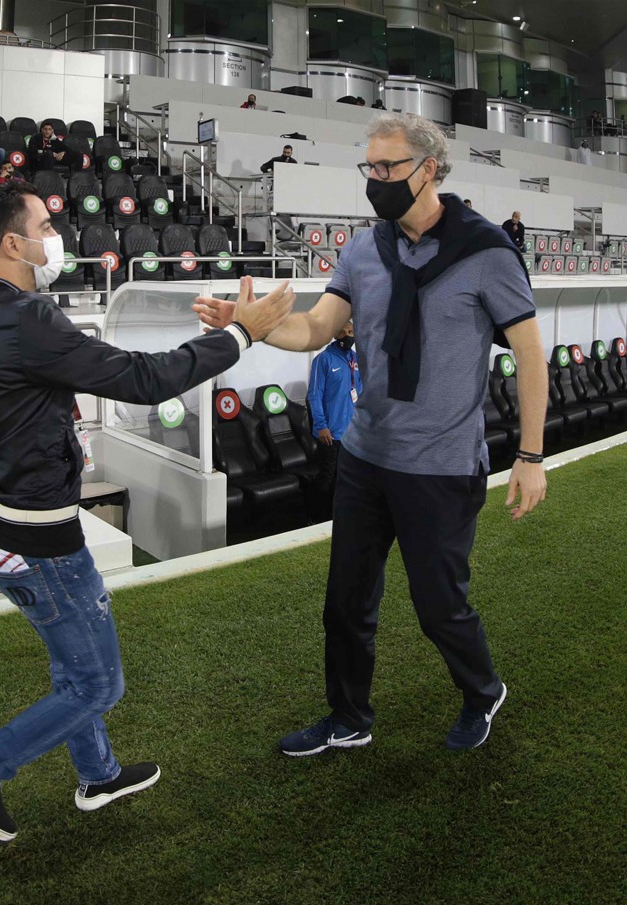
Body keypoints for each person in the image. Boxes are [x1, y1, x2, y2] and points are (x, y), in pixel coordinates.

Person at [0, 184, 296, 842]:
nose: (57, 234)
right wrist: (243, 335)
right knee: (97, 686)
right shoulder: (26, 320)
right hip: (40, 544)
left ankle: (99, 775)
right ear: (13, 243)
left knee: (74, 667)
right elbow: (144, 378)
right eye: (45, 224)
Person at [193, 112, 547, 757]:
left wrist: (530, 454)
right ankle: (349, 717)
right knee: (346, 605)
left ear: (429, 169)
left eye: (388, 168)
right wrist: (254, 327)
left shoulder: (488, 251)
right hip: (365, 456)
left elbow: (529, 355)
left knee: (441, 609)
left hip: (441, 465)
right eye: (370, 168)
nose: (376, 180)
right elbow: (316, 329)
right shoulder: (363, 248)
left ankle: (482, 690)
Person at [307, 321, 361, 514]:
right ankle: (316, 517)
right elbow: (314, 395)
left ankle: (339, 516)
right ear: (334, 334)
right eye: (342, 332)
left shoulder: (356, 359)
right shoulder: (323, 360)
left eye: (351, 332)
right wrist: (321, 425)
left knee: (347, 477)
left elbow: (361, 394)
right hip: (330, 432)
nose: (348, 336)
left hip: (352, 433)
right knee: (327, 476)